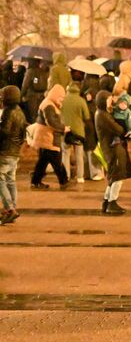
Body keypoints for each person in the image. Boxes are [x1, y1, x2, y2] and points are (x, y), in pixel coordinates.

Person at [95, 90, 131, 215]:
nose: (111, 101)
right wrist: (124, 127)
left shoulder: (103, 113)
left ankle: (107, 201)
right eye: (108, 99)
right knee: (117, 176)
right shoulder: (103, 115)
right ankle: (112, 202)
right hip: (113, 149)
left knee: (113, 176)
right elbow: (118, 129)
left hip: (111, 148)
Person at [30, 85, 70, 190]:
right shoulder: (49, 105)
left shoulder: (49, 103)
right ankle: (64, 181)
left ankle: (36, 181)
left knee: (43, 162)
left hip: (44, 137)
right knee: (56, 161)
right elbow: (51, 122)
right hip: (48, 138)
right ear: (56, 95)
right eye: (61, 97)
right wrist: (63, 128)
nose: (62, 100)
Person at [0, 86, 27, 224]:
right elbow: (23, 131)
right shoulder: (20, 112)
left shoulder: (8, 112)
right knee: (10, 180)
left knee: (0, 179)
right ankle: (13, 208)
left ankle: (9, 209)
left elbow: (5, 131)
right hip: (15, 152)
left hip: (6, 151)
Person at [61, 70, 89, 183]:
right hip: (79, 131)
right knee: (79, 155)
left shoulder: (63, 100)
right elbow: (86, 116)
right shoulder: (81, 100)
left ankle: (66, 175)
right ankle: (80, 177)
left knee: (65, 154)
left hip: (66, 130)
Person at [21, 58, 48, 123]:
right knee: (38, 115)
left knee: (32, 116)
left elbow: (25, 85)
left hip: (32, 96)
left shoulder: (30, 71)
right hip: (41, 96)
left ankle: (32, 130)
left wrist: (21, 95)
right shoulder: (43, 71)